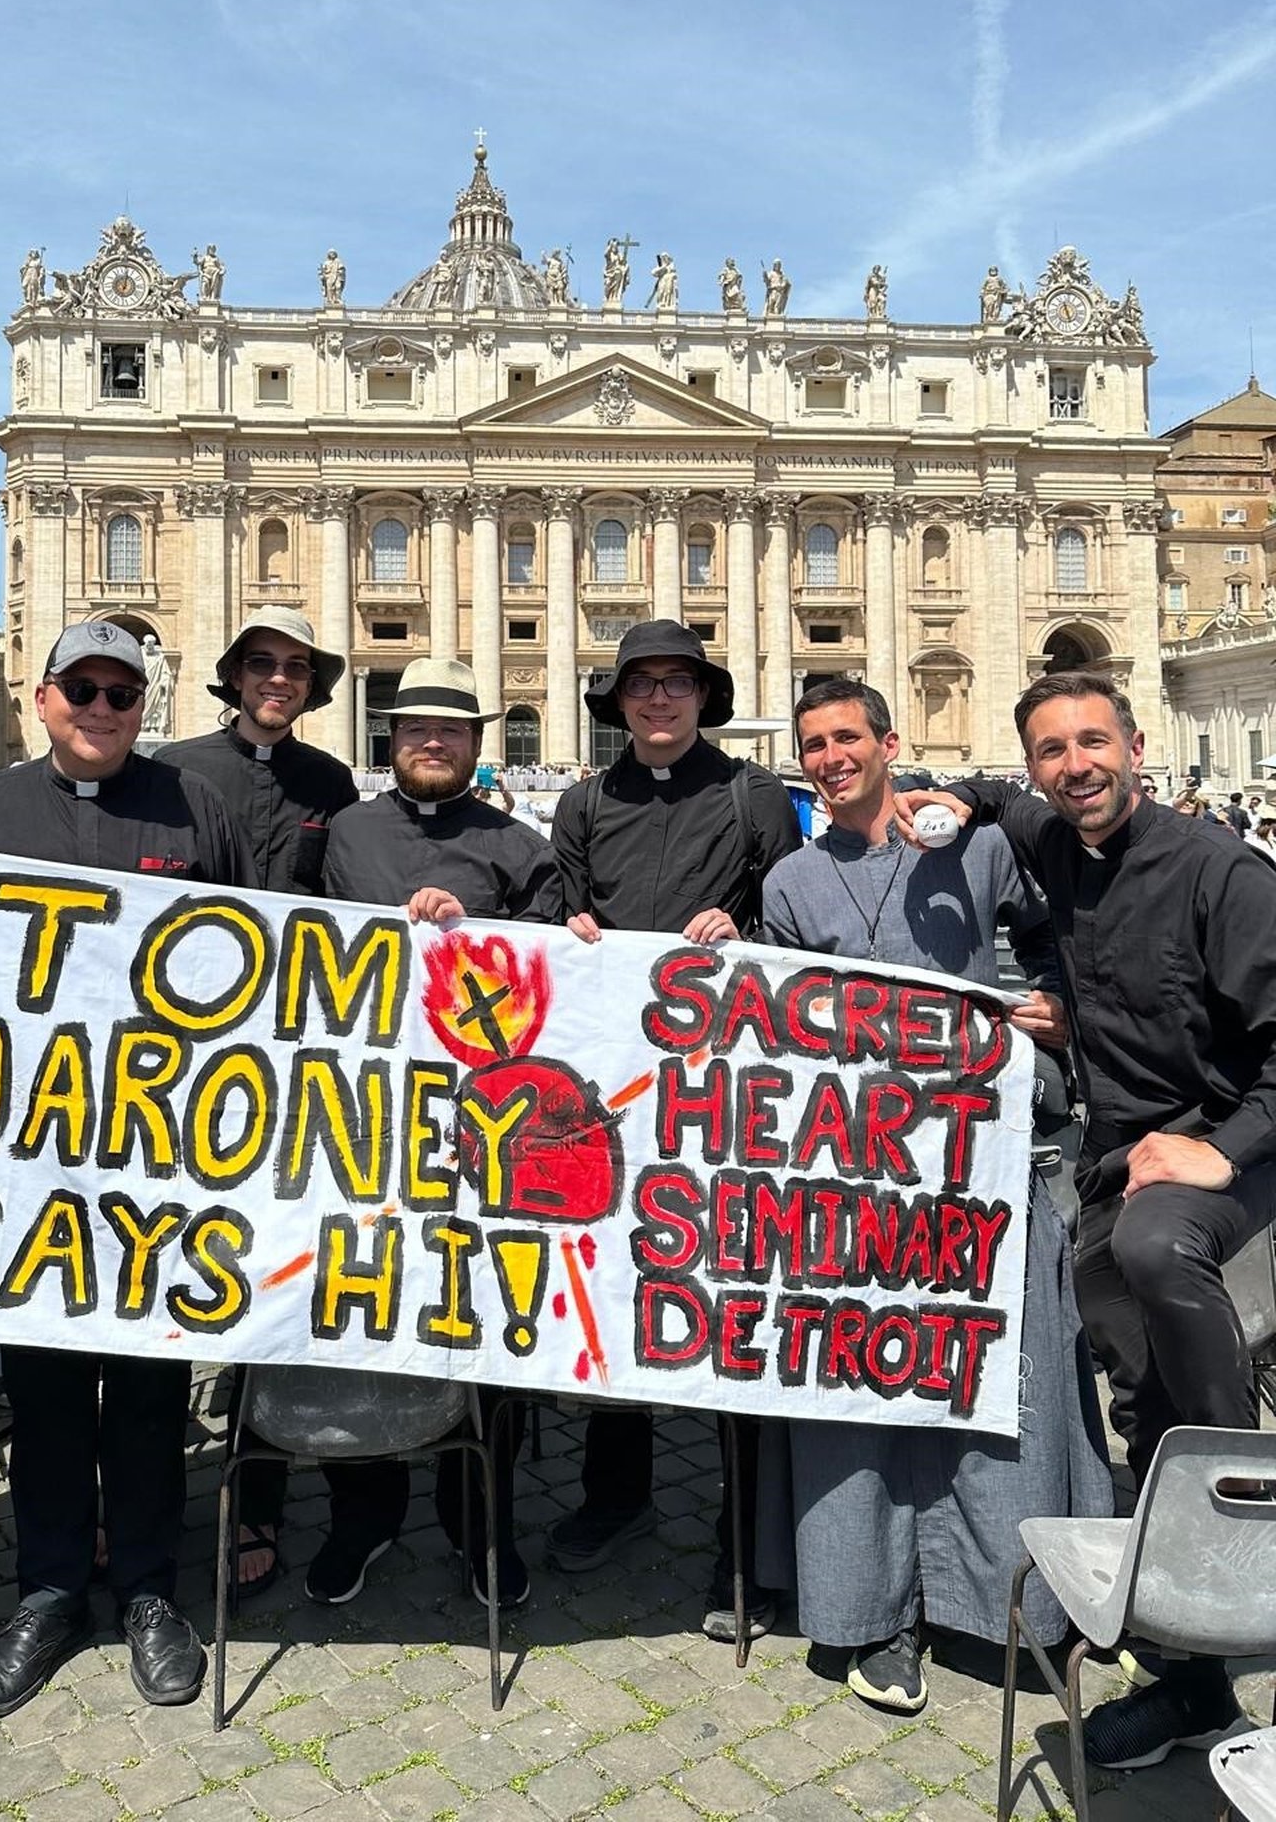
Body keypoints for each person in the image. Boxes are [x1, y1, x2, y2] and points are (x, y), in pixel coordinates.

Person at [900, 670, 1276, 1770]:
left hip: (1231, 1147)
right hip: (1118, 1161)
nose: (1077, 766)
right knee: (1133, 1391)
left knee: (1162, 1251)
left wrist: (1219, 1149)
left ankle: (1248, 1509)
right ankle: (1190, 1674)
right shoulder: (1050, 837)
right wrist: (948, 798)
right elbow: (975, 789)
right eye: (1053, 752)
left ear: (1136, 743)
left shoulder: (1223, 873)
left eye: (1093, 743)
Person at [0, 621, 252, 1719]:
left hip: (158, 1161)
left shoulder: (198, 811)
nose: (101, 707)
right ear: (42, 699)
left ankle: (146, 1588)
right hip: (28, 1165)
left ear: (145, 705)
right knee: (42, 1390)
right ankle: (47, 1589)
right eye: (81, 689)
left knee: (147, 1389)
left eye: (121, 693)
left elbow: (261, 974)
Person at [757, 679, 1111, 1714]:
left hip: (977, 1165)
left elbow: (1066, 926)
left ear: (888, 743)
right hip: (851, 1174)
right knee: (862, 1390)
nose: (830, 757)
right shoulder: (789, 881)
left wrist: (1054, 1011)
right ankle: (873, 1614)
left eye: (846, 739)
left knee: (999, 1383)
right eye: (813, 744)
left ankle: (1002, 1605)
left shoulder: (977, 842)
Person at [547, 620, 802, 1639]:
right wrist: (568, 938)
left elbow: (790, 932)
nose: (659, 699)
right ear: (617, 703)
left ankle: (746, 1533)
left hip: (722, 1093)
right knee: (619, 1289)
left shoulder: (750, 796)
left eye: (677, 684)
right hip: (615, 1091)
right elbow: (556, 926)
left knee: (730, 1296)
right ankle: (616, 1490)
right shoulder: (581, 802)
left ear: (704, 697)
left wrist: (746, 936)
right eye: (641, 685)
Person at [309, 656, 561, 1611]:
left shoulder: (517, 843)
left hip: (487, 1134)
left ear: (476, 742)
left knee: (488, 1327)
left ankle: (484, 1521)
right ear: (391, 734)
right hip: (365, 1129)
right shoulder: (346, 834)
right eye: (414, 725)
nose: (429, 740)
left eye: (449, 729)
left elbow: (558, 980)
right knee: (361, 1322)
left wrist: (479, 940)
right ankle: (362, 1513)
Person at [155, 606, 357, 1589]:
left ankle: (254, 1502)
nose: (278, 679)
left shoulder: (331, 782)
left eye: (295, 668)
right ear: (234, 675)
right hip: (186, 1059)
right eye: (262, 664)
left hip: (292, 1069)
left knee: (265, 1291)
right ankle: (140, 1503)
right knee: (162, 1283)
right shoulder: (174, 768)